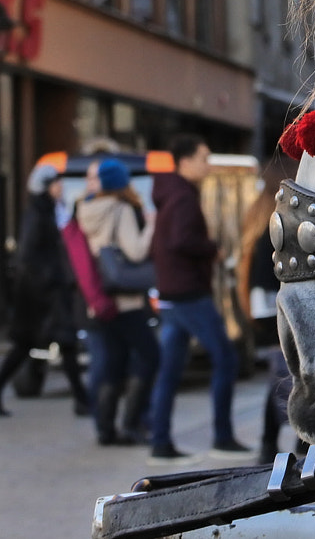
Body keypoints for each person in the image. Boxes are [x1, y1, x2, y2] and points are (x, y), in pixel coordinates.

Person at [147, 134, 251, 460]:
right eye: (204, 158)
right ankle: (222, 437)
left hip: (172, 294)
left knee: (170, 369)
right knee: (226, 359)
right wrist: (213, 250)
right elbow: (181, 241)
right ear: (186, 161)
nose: (208, 165)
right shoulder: (182, 198)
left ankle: (160, 442)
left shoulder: (172, 193)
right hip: (188, 294)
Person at [0, 157, 91, 417]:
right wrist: (52, 279)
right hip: (43, 295)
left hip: (46, 293)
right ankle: (81, 400)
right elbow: (29, 255)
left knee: (45, 345)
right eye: (55, 184)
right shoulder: (37, 214)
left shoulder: (51, 211)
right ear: (45, 186)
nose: (60, 188)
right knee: (58, 344)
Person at [76, 156, 161, 447]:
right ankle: (131, 422)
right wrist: (150, 225)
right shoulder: (121, 209)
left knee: (112, 363)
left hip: (99, 299)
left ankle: (105, 429)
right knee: (151, 356)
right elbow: (135, 252)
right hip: (126, 301)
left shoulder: (85, 209)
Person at [238, 182, 293, 464]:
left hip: (264, 307)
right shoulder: (276, 224)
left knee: (280, 374)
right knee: (286, 375)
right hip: (275, 307)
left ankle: (271, 442)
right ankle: (284, 441)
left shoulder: (259, 221)